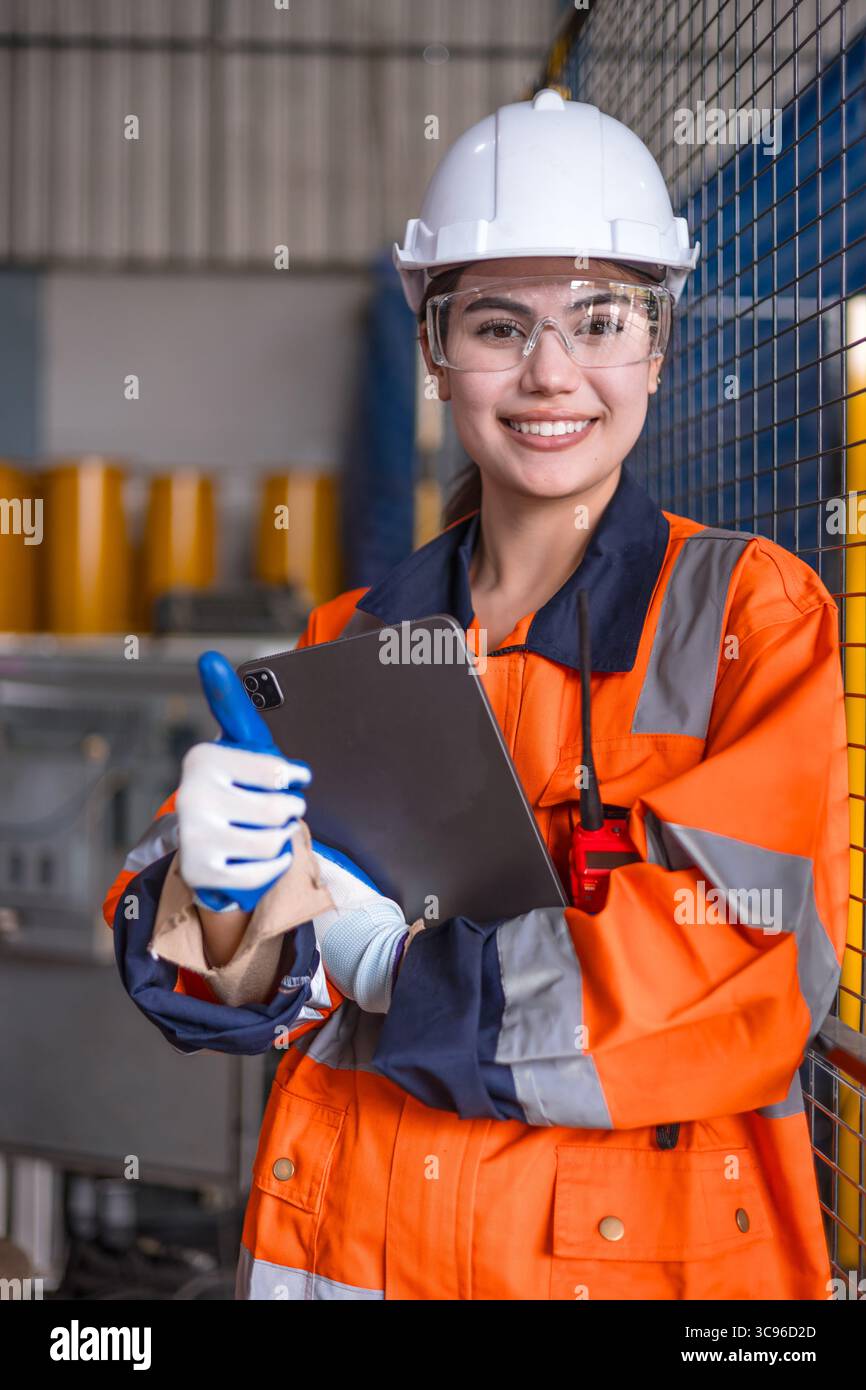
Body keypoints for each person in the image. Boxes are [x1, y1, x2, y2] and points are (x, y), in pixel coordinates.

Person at [104, 90, 849, 1301]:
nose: (549, 373)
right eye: (498, 326)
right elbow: (225, 984)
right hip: (341, 1256)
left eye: (599, 320)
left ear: (656, 349)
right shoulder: (347, 639)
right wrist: (216, 890)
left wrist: (395, 971)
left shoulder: (745, 620)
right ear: (437, 353)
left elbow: (738, 972)